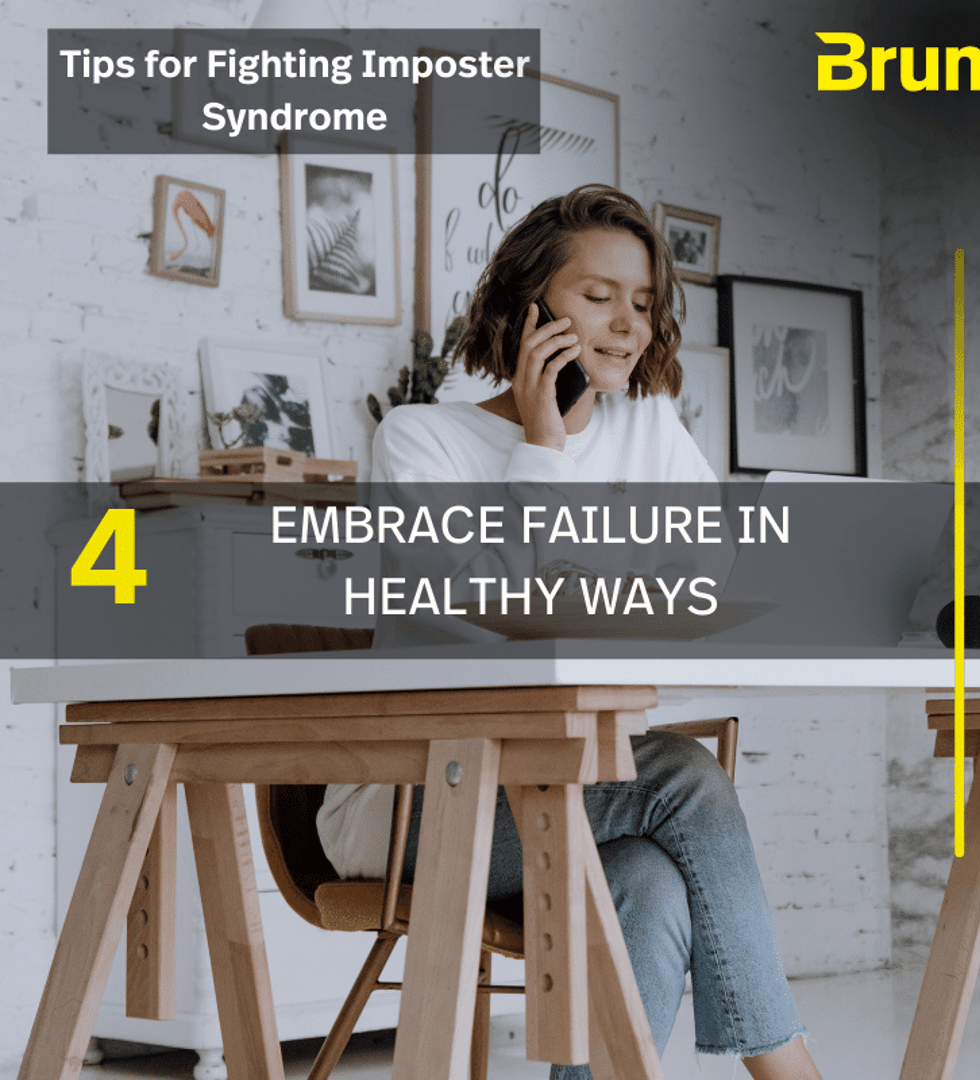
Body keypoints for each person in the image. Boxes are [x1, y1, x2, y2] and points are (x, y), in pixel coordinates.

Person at [318, 185, 825, 1080]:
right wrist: (543, 444)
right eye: (598, 297)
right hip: (415, 803)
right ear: (529, 308)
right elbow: (499, 608)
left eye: (641, 301)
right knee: (683, 775)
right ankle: (791, 1070)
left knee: (648, 878)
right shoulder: (419, 441)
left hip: (570, 788)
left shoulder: (651, 431)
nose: (628, 324)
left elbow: (703, 587)